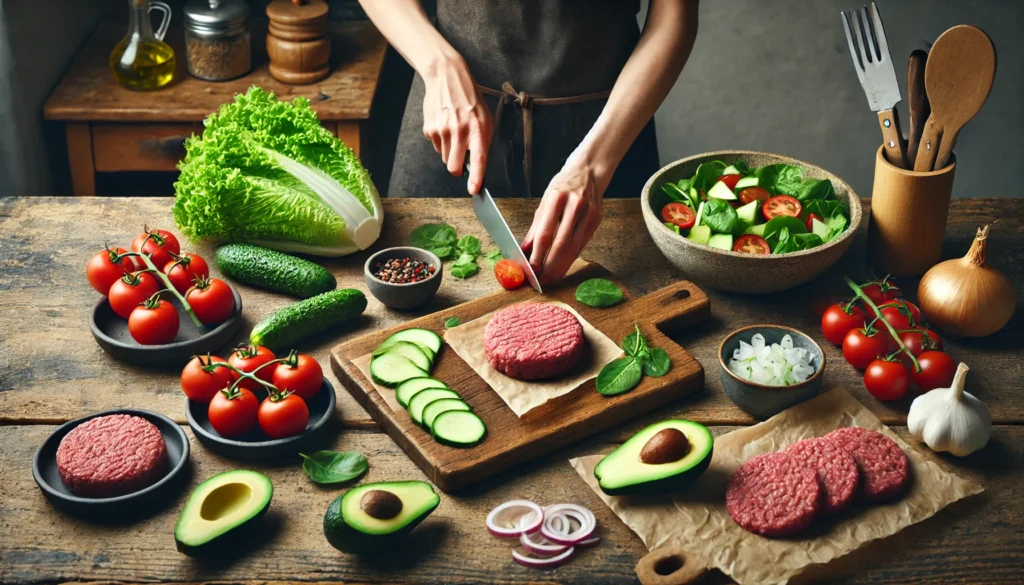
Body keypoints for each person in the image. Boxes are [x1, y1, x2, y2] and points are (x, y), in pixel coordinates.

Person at [360, 0, 699, 284]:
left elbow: (673, 18)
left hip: (610, 126)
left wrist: (594, 166)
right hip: (451, 114)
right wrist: (437, 65)